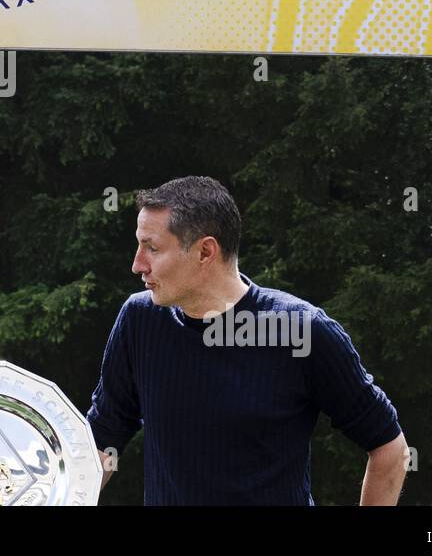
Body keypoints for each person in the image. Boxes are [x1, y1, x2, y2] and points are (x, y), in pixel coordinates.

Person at [89, 176, 408, 505]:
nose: (137, 264)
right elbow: (103, 438)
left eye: (152, 248)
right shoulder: (139, 320)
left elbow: (389, 449)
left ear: (205, 251)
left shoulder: (301, 331)